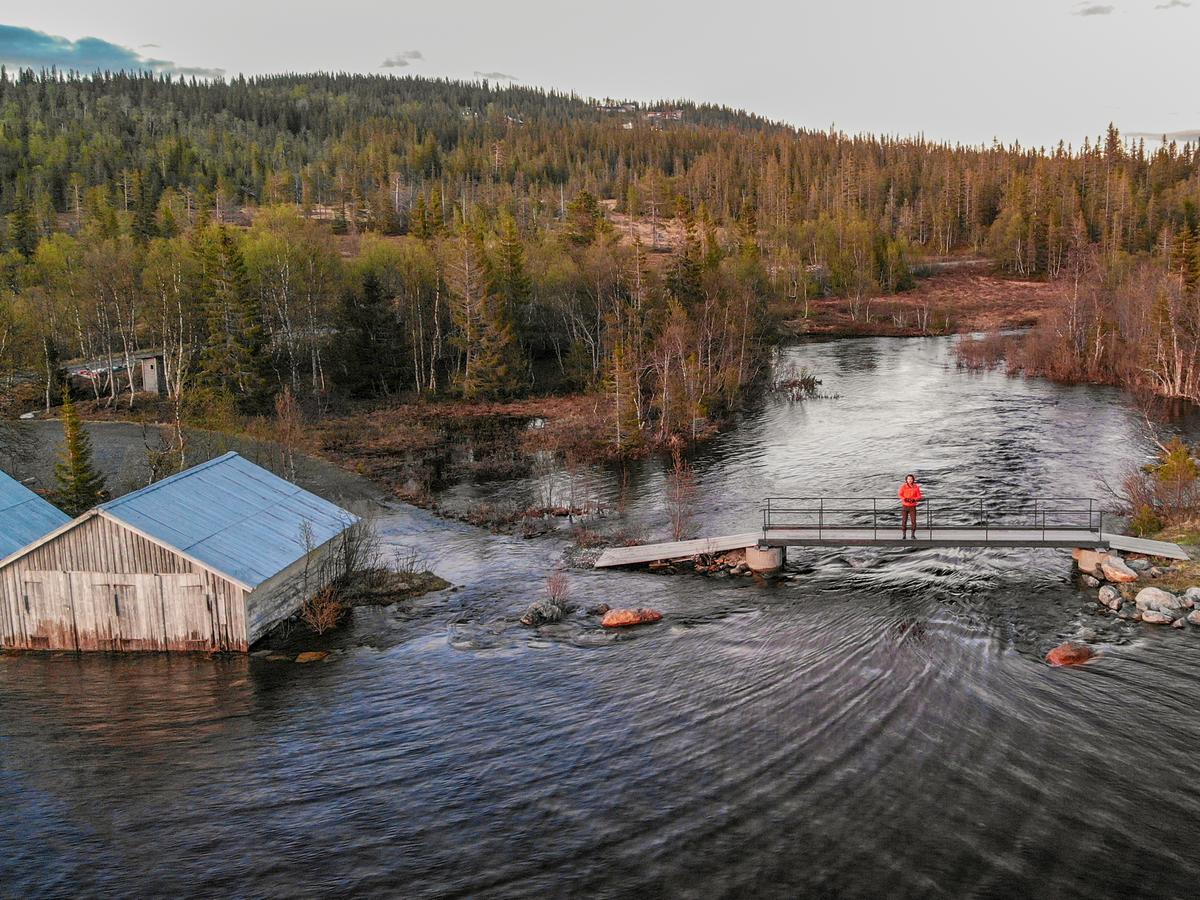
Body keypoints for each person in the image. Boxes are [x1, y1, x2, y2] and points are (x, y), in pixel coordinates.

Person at [899, 474, 922, 538]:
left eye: (911, 479)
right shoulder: (903, 486)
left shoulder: (916, 487)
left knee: (913, 521)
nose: (910, 480)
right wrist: (905, 499)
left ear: (913, 480)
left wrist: (914, 499)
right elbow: (900, 495)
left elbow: (919, 496)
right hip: (905, 505)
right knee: (904, 520)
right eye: (908, 479)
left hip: (912, 506)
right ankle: (904, 534)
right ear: (906, 480)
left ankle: (913, 535)